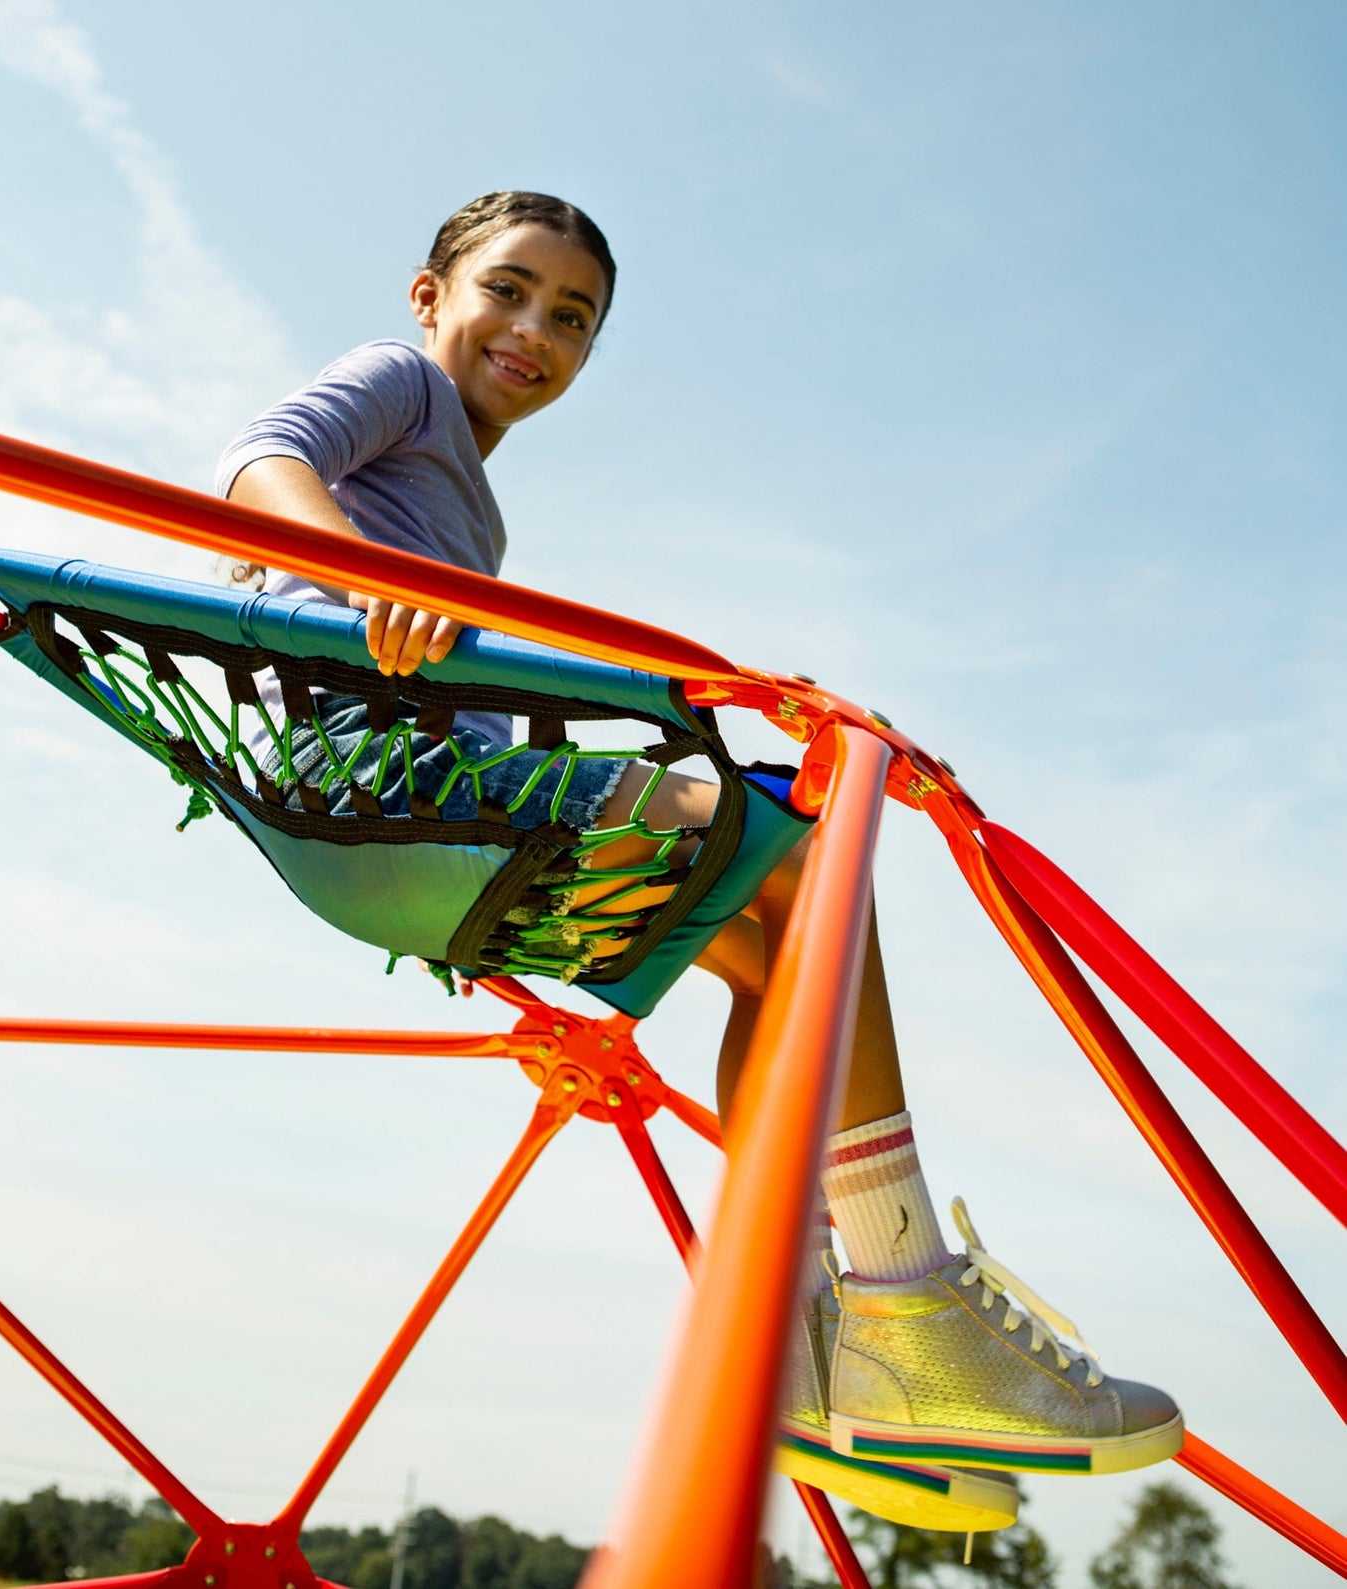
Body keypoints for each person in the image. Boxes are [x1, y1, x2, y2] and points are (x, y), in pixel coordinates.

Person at [216, 191, 1182, 1531]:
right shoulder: (398, 390)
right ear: (428, 296)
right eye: (506, 289)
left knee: (781, 949)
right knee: (785, 850)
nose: (533, 329)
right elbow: (263, 455)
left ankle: (799, 1349)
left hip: (435, 828)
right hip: (385, 783)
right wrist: (360, 576)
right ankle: (908, 1308)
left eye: (573, 317)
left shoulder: (469, 502)